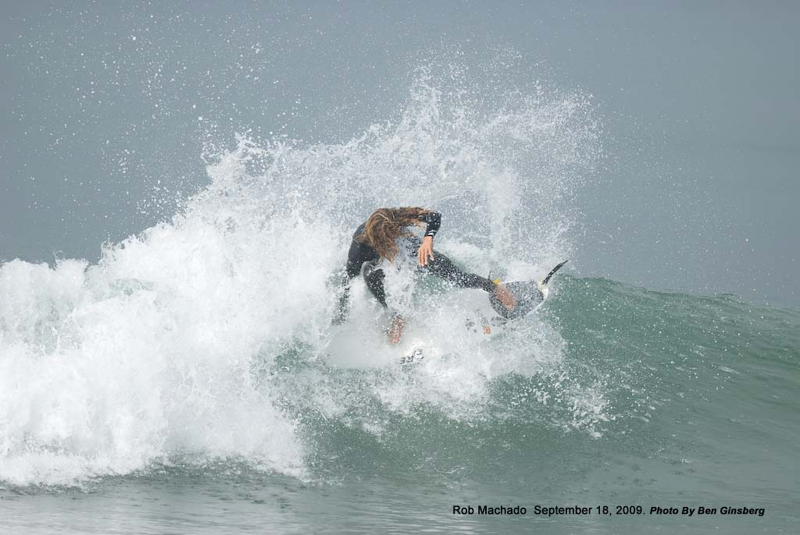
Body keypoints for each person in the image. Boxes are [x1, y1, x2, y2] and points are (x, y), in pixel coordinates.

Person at [333, 207, 516, 343]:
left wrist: (428, 238)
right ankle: (397, 317)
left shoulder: (392, 217)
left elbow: (434, 216)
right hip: (378, 262)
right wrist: (340, 316)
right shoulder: (359, 250)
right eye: (391, 237)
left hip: (410, 248)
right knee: (369, 275)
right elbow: (348, 281)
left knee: (455, 276)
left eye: (397, 230)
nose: (396, 236)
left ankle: (494, 287)